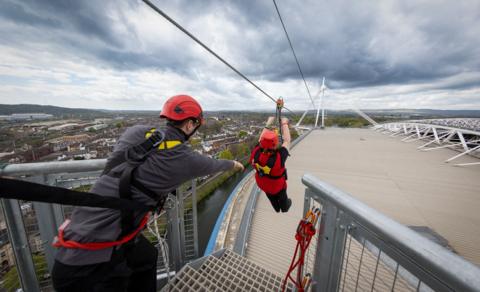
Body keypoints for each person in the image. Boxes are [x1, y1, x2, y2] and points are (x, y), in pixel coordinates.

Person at [51, 94, 244, 292]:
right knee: (123, 277)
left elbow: (121, 165)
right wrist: (235, 164)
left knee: (147, 257)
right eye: (196, 126)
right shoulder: (184, 158)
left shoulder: (135, 133)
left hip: (77, 240)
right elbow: (216, 164)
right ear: (189, 125)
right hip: (91, 262)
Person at [250, 116, 292, 213]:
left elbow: (261, 137)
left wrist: (269, 121)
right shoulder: (279, 157)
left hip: (262, 183)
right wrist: (284, 123)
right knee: (282, 197)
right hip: (277, 186)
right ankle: (284, 208)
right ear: (275, 144)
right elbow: (287, 140)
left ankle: (276, 208)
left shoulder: (256, 152)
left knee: (271, 196)